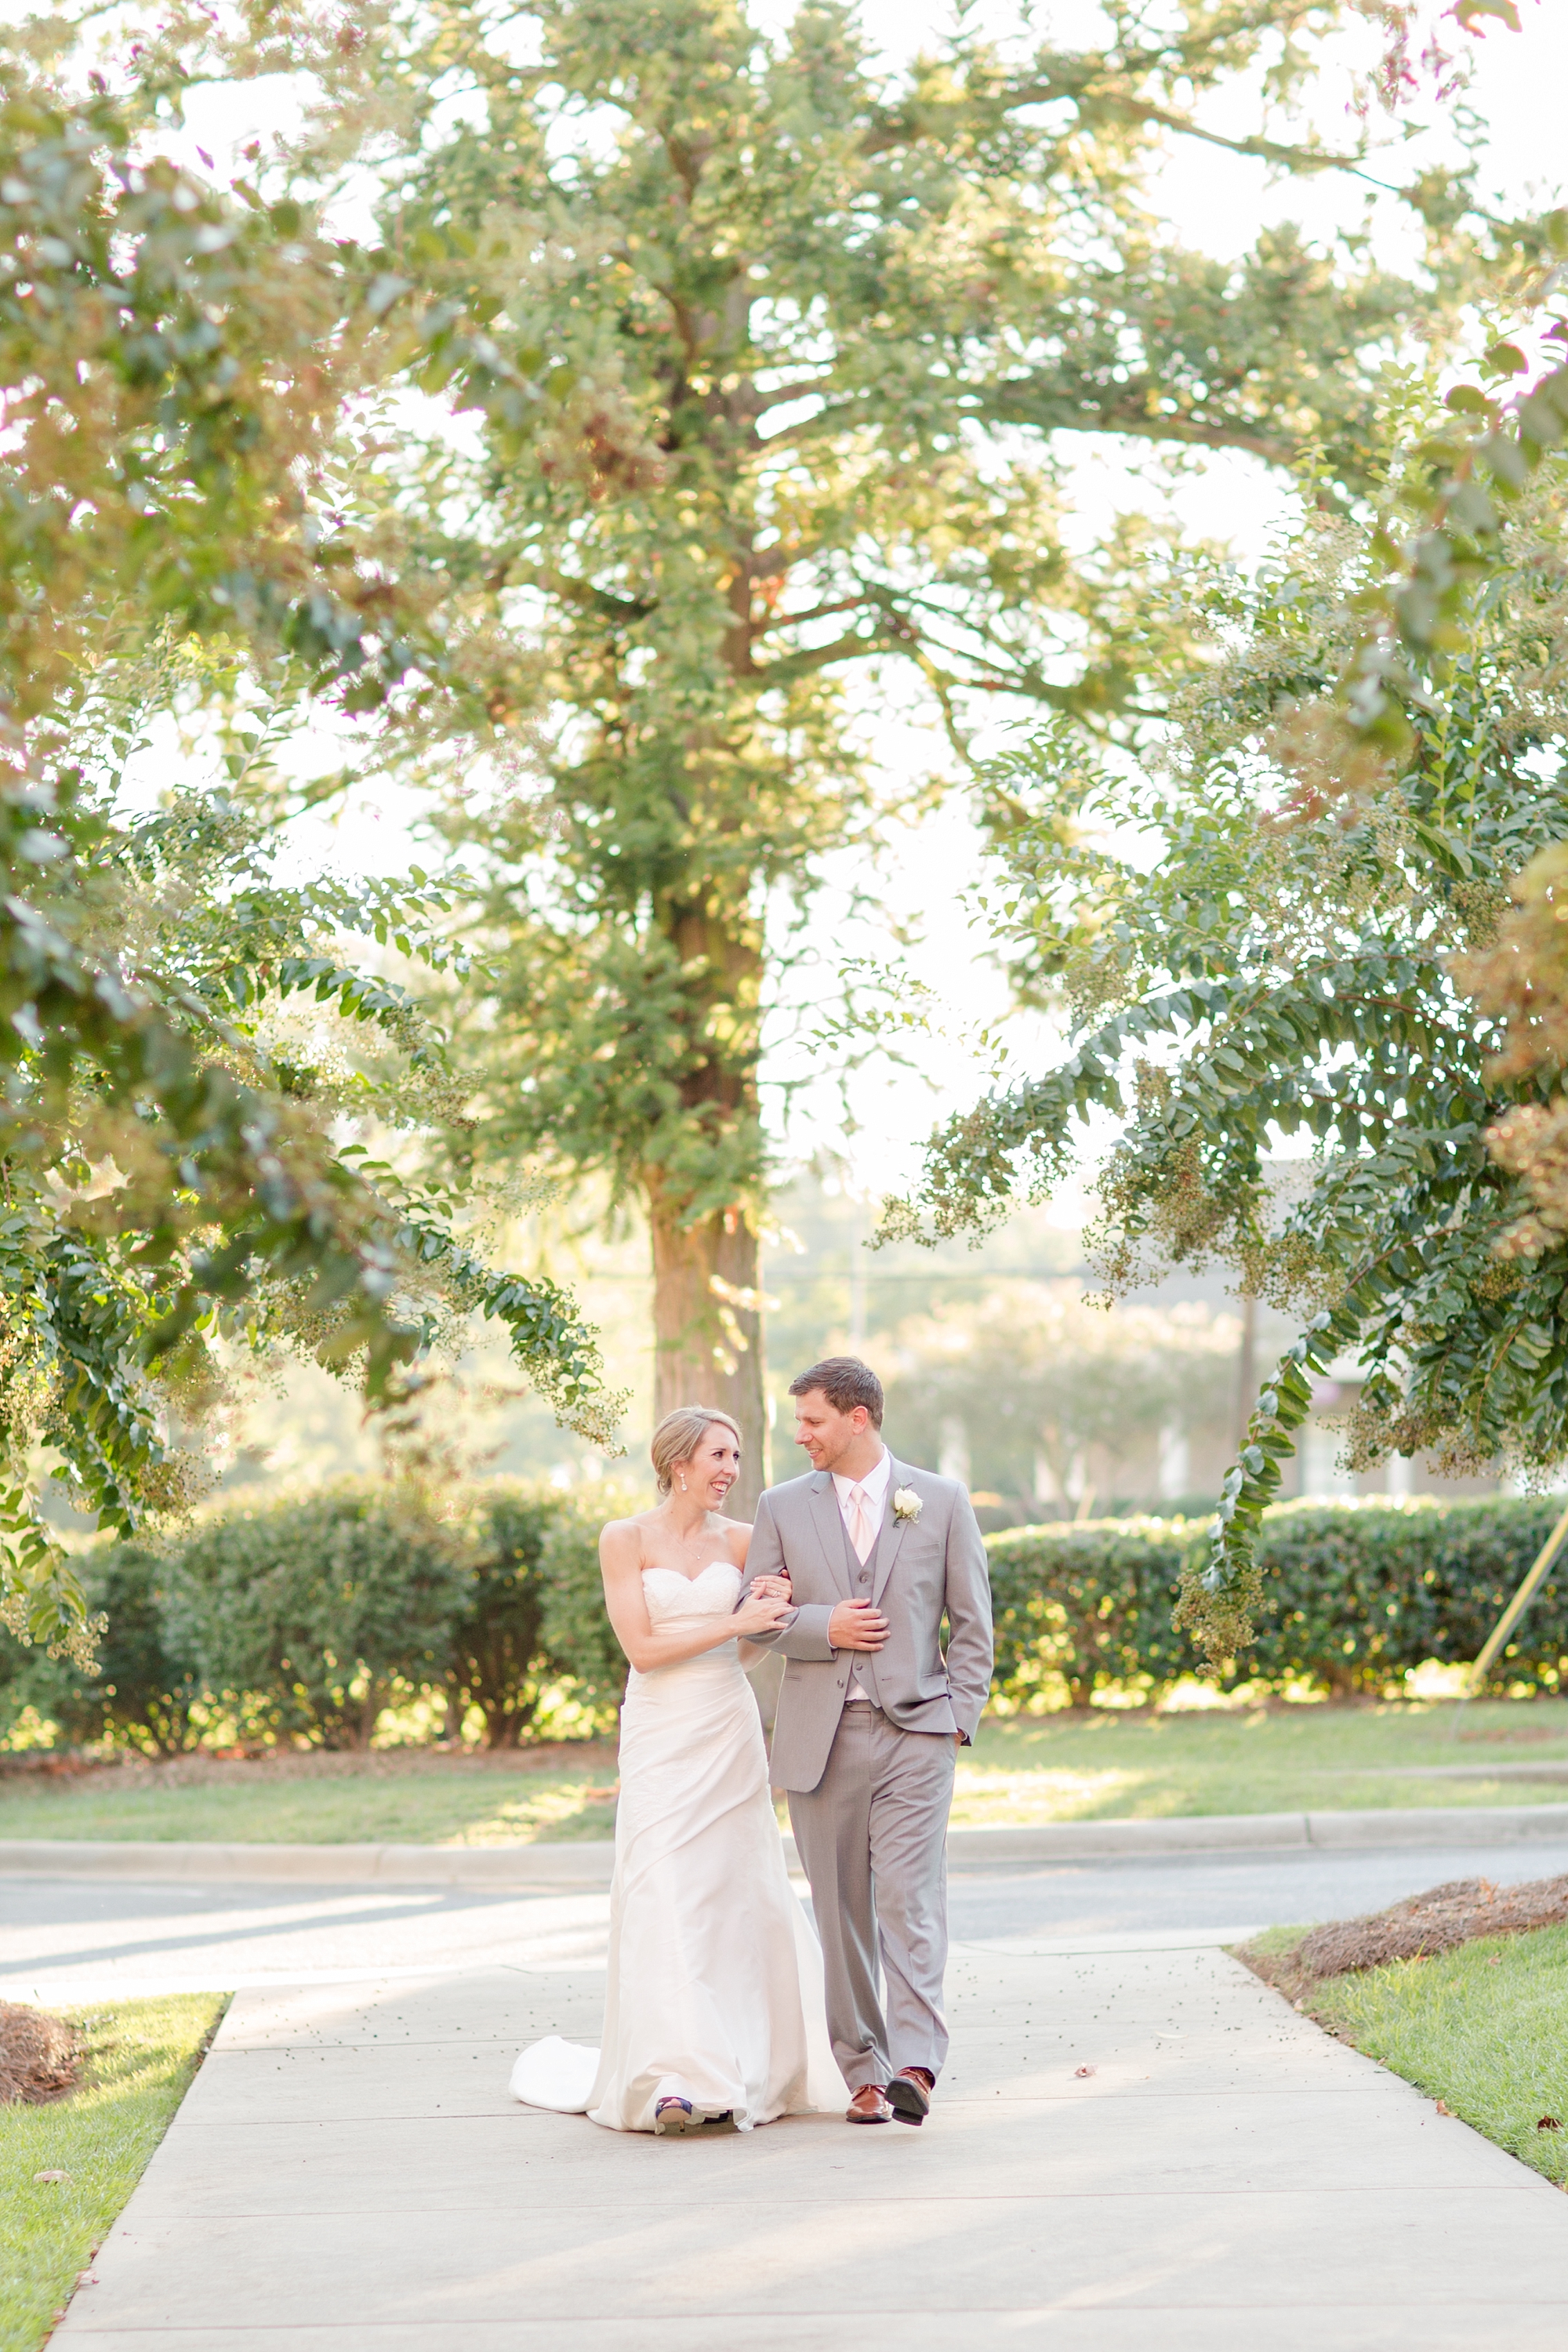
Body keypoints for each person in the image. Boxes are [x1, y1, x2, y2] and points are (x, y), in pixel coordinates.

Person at [508, 1405, 840, 2135]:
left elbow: (749, 1652)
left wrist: (763, 1618)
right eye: (718, 1455)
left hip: (727, 1725)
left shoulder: (749, 1539)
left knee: (733, 1890)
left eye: (736, 1455)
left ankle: (743, 2061)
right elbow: (644, 1650)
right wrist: (736, 1623)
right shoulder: (623, 1539)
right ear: (678, 1461)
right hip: (660, 1731)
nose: (730, 1469)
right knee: (661, 1889)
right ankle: (669, 2078)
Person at [739, 1356, 993, 2126]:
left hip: (917, 1732)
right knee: (840, 1912)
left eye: (812, 1422)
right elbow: (759, 1615)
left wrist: (957, 1715)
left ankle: (916, 2060)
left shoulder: (940, 1501)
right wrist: (824, 1626)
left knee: (908, 1898)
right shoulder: (781, 1507)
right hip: (820, 1742)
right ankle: (864, 2070)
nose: (800, 1437)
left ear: (858, 1419)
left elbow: (972, 1621)